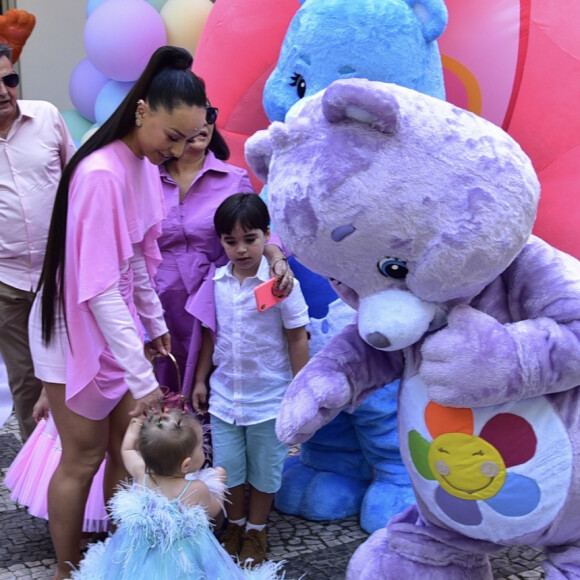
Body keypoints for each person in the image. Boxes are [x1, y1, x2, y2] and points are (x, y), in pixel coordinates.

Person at [29, 46, 212, 580]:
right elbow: (100, 289)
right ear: (141, 112)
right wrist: (141, 372)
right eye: (171, 136)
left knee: (119, 450)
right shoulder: (103, 172)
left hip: (115, 326)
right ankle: (67, 570)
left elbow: (134, 264)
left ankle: (115, 560)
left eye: (189, 139)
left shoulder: (136, 164)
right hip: (75, 330)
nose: (177, 150)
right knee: (82, 458)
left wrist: (154, 327)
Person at [192, 193, 310, 566]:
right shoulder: (216, 282)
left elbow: (296, 336)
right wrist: (200, 380)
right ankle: (235, 524)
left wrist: (300, 390)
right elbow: (211, 335)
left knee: (265, 471)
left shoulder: (282, 285)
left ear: (267, 236)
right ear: (221, 241)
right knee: (229, 471)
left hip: (269, 399)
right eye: (231, 241)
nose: (241, 249)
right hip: (225, 398)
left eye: (250, 239)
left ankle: (257, 531)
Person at [154, 114, 293, 399]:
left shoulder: (233, 179)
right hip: (156, 302)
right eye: (190, 115)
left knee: (211, 387)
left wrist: (277, 259)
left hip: (214, 300)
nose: (201, 124)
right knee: (160, 388)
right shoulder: (144, 177)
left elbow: (258, 230)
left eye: (208, 115)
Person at [71, 409, 286, 579]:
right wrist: (218, 483)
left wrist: (136, 422)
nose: (204, 451)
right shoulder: (195, 489)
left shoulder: (142, 473)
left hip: (140, 552)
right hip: (183, 557)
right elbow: (212, 511)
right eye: (201, 447)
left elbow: (127, 449)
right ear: (186, 464)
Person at [0, 41, 75, 441]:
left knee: (75, 372)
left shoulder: (46, 116)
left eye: (8, 79)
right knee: (26, 382)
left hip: (61, 275)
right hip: (6, 282)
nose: (2, 91)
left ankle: (85, 469)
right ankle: (42, 481)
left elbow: (77, 181)